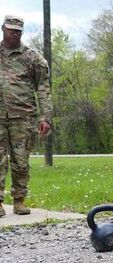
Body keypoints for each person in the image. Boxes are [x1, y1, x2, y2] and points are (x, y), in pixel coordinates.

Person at [0, 16, 52, 217]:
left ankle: (19, 201)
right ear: (3, 29)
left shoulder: (32, 58)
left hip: (23, 117)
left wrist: (45, 117)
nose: (15, 34)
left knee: (21, 161)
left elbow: (43, 88)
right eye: (11, 30)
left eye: (19, 31)